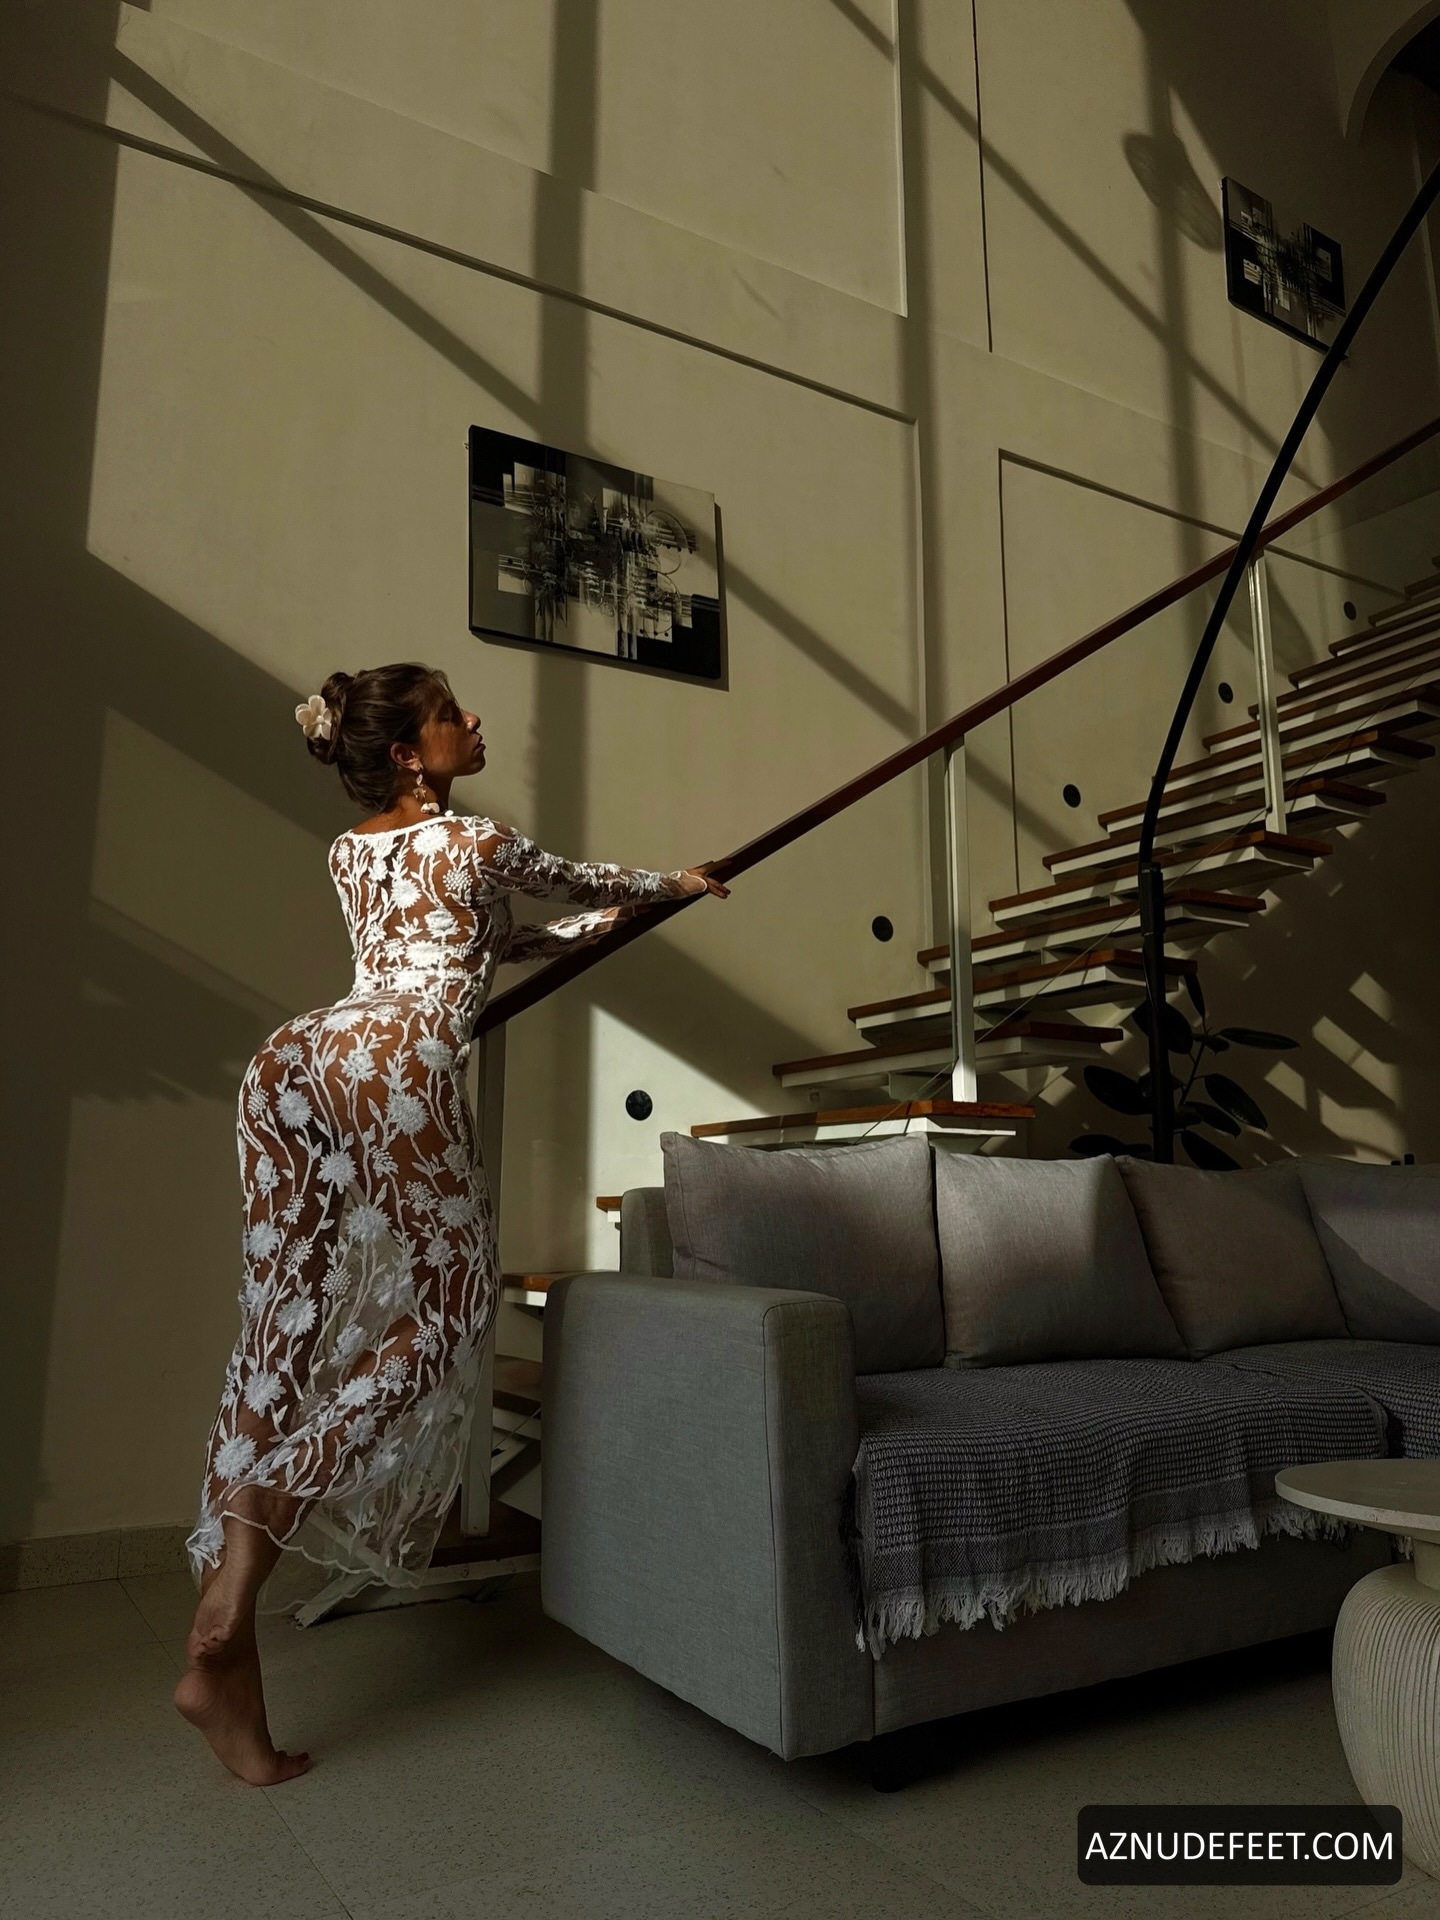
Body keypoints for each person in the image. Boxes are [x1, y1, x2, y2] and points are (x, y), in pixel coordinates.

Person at [174, 662, 727, 1784]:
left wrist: (618, 917)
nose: (473, 721)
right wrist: (674, 883)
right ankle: (267, 1512)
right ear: (408, 754)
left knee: (278, 1329)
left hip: (297, 1057)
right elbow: (577, 879)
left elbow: (493, 943)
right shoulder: (478, 841)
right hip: (393, 1054)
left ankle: (227, 1653)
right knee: (453, 1306)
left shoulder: (350, 853)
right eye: (447, 714)